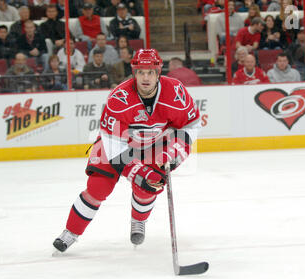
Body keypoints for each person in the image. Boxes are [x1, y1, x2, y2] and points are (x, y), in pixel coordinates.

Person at [53, 48, 201, 252]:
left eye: (150, 72)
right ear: (134, 73)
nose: (145, 77)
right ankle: (71, 232)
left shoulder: (176, 92)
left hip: (153, 146)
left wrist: (175, 153)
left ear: (159, 73)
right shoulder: (119, 98)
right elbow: (113, 144)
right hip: (117, 145)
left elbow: (191, 125)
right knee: (98, 187)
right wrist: (137, 171)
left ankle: (138, 221)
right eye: (141, 72)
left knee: (150, 184)